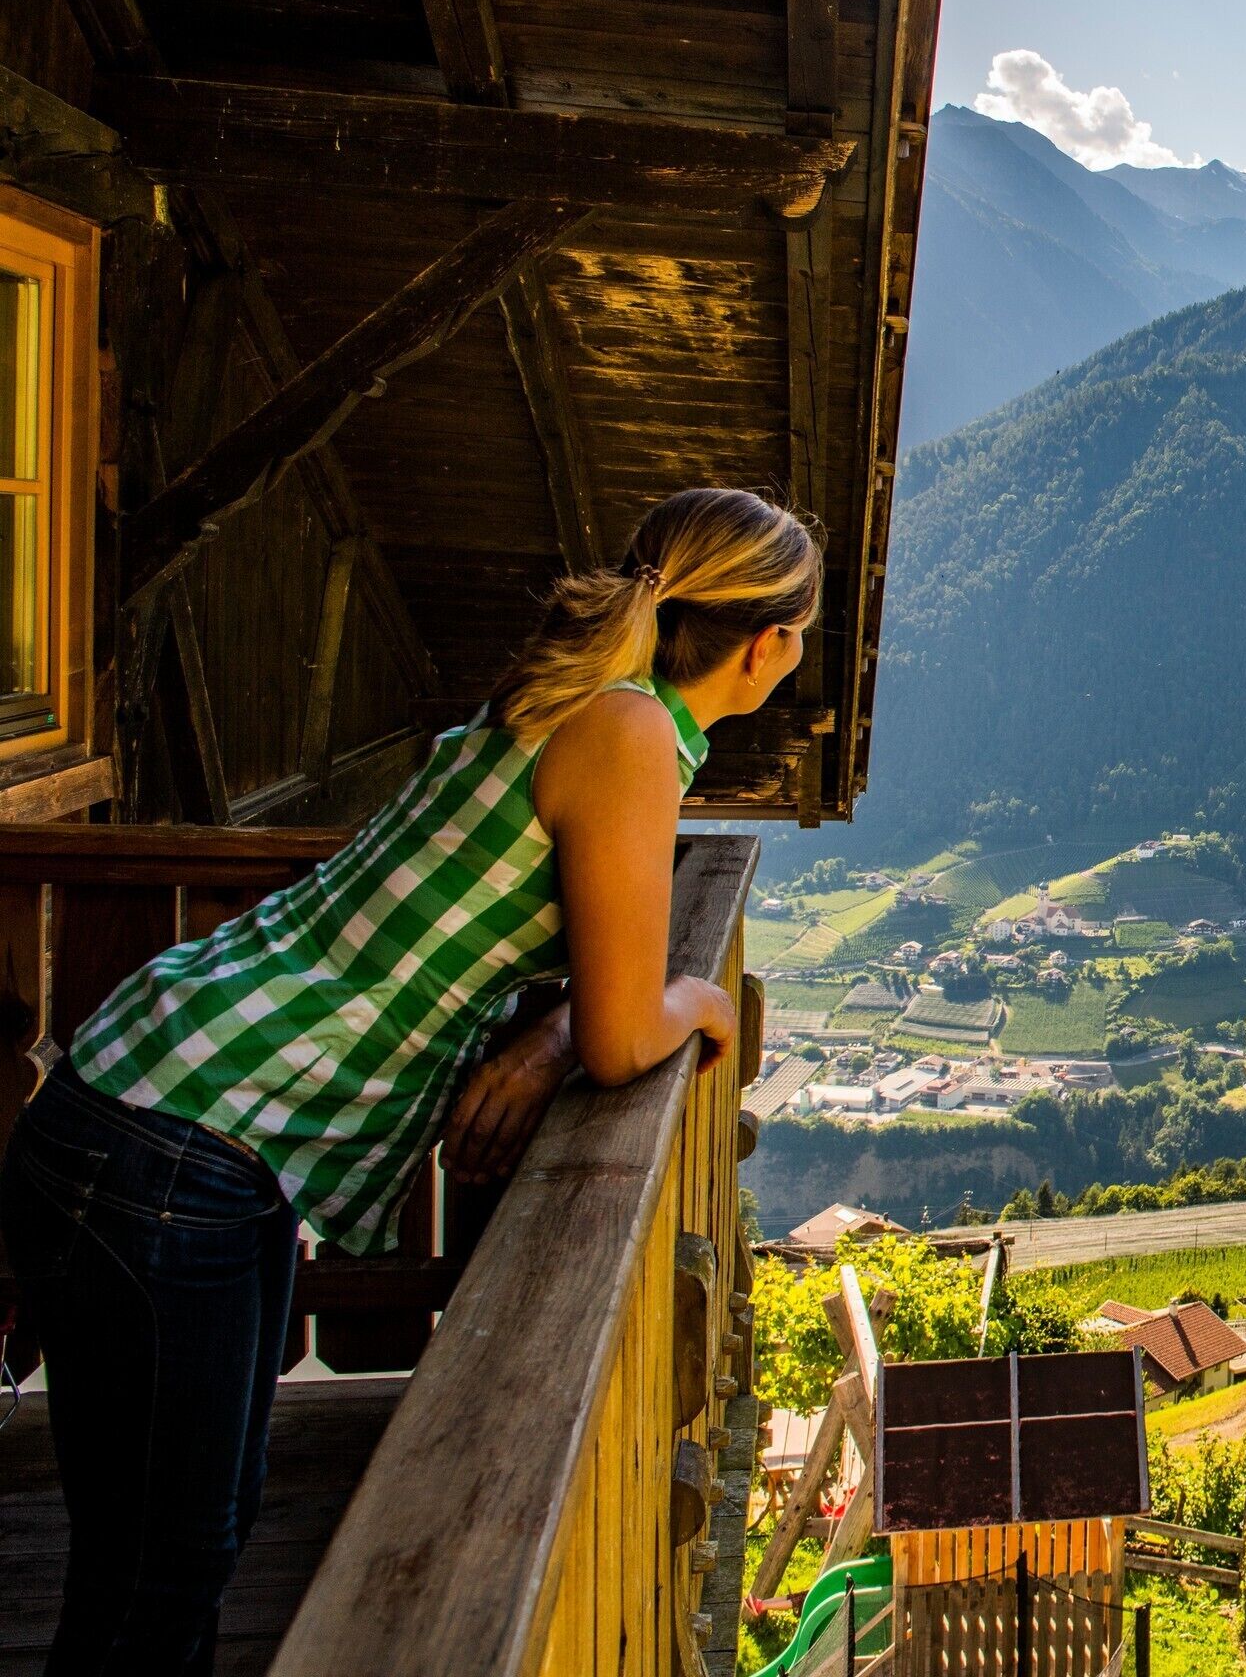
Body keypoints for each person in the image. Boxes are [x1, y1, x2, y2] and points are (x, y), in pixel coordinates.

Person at [0, 487, 818, 1675]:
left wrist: (550, 1033)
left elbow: (568, 973)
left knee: (161, 1545)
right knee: (159, 1574)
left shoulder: (570, 692)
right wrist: (692, 999)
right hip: (182, 1154)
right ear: (768, 643)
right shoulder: (632, 734)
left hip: (132, 1100)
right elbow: (625, 1031)